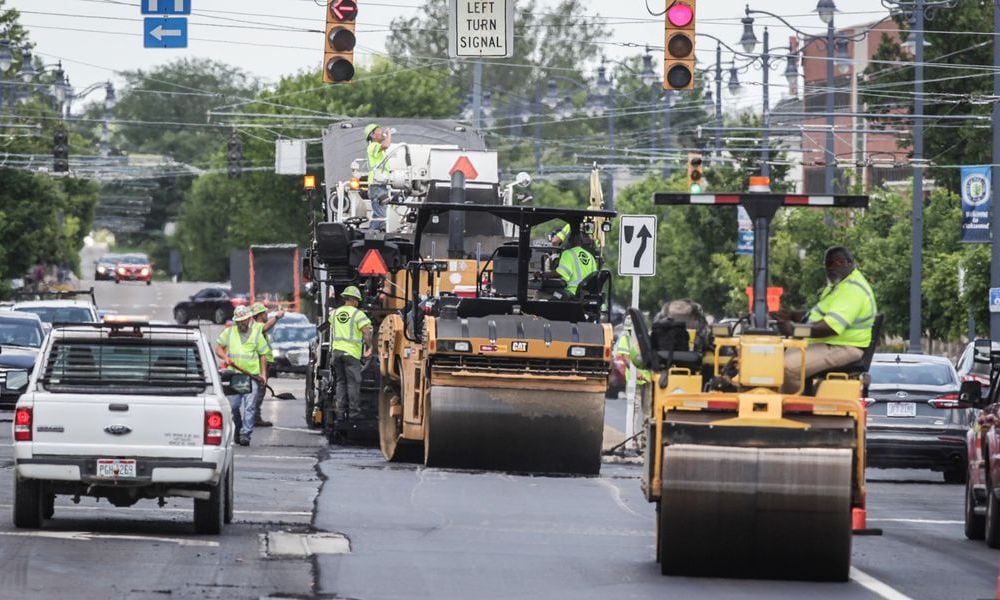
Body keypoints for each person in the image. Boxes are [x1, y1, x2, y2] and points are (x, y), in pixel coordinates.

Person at [771, 246, 877, 394]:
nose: (830, 269)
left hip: (844, 347)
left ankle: (789, 408)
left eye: (836, 264)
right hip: (828, 343)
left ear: (848, 262)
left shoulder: (853, 290)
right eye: (828, 265)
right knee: (770, 358)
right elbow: (816, 316)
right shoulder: (838, 286)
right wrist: (790, 315)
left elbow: (829, 327)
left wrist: (793, 329)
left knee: (788, 368)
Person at [215, 305, 270, 446]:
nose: (241, 324)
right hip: (236, 376)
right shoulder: (229, 332)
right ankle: (238, 427)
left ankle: (246, 434)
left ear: (249, 319)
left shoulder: (256, 334)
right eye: (238, 321)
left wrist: (263, 374)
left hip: (251, 377)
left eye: (243, 320)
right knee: (233, 406)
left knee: (250, 407)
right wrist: (224, 357)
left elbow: (263, 355)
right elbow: (218, 348)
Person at [325, 286, 373, 422]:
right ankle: (353, 414)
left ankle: (340, 413)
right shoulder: (358, 314)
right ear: (354, 300)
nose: (358, 303)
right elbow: (366, 332)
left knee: (341, 382)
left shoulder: (334, 313)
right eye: (357, 300)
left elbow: (330, 327)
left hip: (336, 353)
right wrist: (370, 347)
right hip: (351, 354)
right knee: (353, 383)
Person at [250, 302, 285, 428]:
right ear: (259, 315)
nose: (267, 315)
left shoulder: (255, 326)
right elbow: (265, 327)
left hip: (263, 362)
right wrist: (276, 317)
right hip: (261, 363)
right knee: (259, 391)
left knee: (260, 390)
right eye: (265, 313)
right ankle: (254, 418)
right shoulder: (257, 326)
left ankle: (254, 417)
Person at [544, 231, 598, 297]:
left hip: (570, 293)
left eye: (569, 238)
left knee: (544, 293)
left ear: (571, 240)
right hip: (586, 295)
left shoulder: (568, 254)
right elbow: (594, 278)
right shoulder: (591, 257)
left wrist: (544, 274)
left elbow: (562, 273)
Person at [365, 123, 392, 232]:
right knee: (380, 215)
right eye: (379, 130)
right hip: (377, 185)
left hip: (380, 185)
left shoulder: (376, 147)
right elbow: (386, 145)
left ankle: (377, 235)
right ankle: (371, 236)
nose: (381, 132)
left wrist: (385, 136)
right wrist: (388, 134)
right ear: (372, 135)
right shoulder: (373, 146)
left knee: (382, 214)